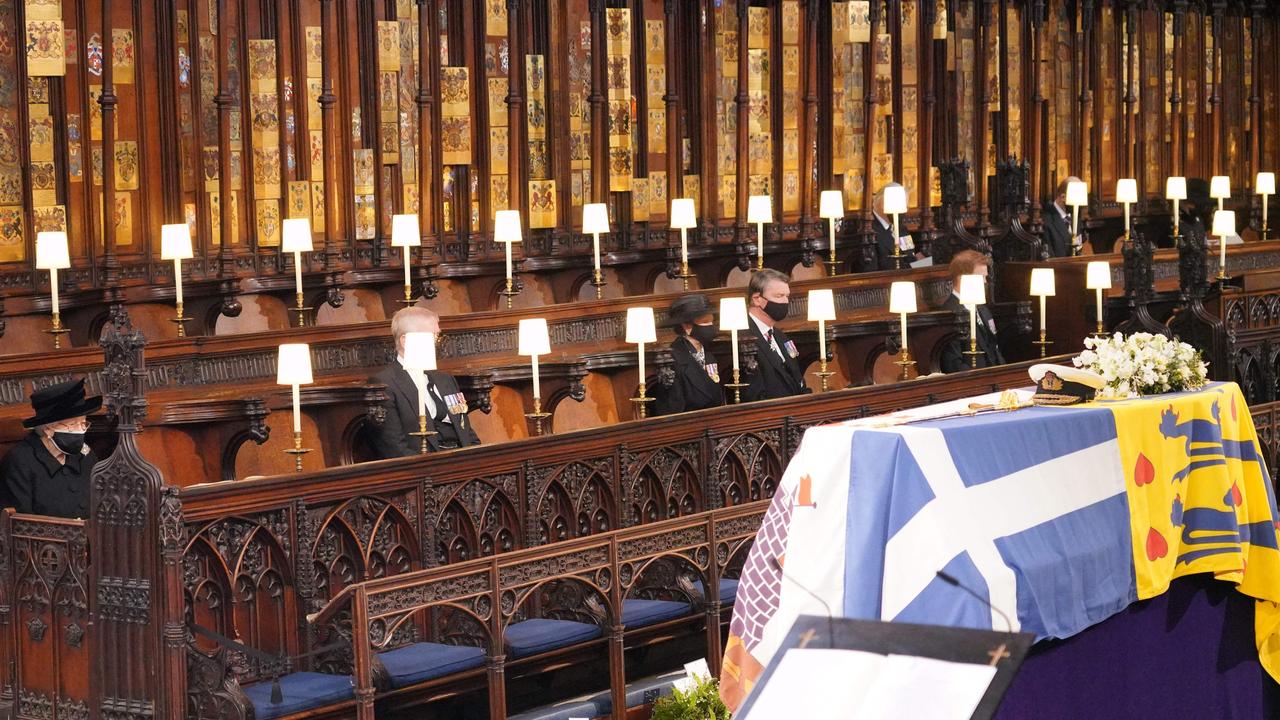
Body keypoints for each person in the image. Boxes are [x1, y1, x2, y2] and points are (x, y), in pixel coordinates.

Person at [370, 307, 480, 458]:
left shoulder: (445, 380)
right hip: (423, 467)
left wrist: (478, 458)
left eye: (437, 336)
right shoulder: (385, 383)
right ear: (405, 341)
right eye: (432, 336)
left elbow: (466, 430)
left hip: (462, 461)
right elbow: (393, 446)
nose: (437, 343)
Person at [0, 378, 102, 519]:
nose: (80, 431)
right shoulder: (20, 461)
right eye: (72, 425)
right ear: (48, 429)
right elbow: (21, 523)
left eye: (83, 423)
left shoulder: (86, 455)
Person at [653, 294, 726, 415]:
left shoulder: (709, 355)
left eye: (712, 321)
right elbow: (672, 408)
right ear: (687, 326)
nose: (710, 327)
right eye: (705, 322)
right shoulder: (672, 360)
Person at [743, 269, 809, 401]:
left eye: (787, 296)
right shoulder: (743, 338)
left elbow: (796, 378)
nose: (785, 302)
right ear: (757, 299)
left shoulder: (781, 337)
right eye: (779, 296)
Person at [940, 250, 1006, 372]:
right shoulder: (949, 313)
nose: (985, 282)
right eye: (981, 277)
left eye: (985, 277)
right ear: (962, 278)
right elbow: (952, 361)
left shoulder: (982, 308)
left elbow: (994, 348)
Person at [1041, 177, 1082, 258]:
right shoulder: (1046, 220)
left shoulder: (1076, 218)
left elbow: (1078, 249)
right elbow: (1049, 257)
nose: (1080, 204)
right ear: (1063, 197)